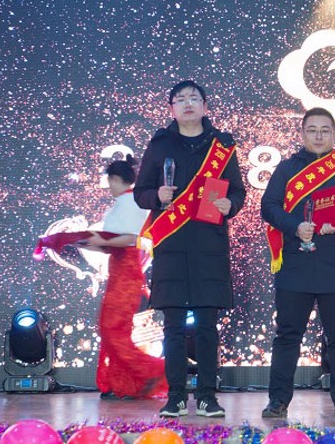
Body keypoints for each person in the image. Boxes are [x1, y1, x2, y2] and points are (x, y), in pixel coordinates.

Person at [134, 80, 246, 418]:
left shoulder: (222, 146)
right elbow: (141, 193)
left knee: (208, 327)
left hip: (209, 244)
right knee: (173, 327)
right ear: (172, 108)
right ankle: (177, 397)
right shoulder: (159, 145)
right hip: (171, 246)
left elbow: (238, 191)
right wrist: (157, 197)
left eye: (194, 98)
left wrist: (230, 205)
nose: (187, 104)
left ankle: (208, 396)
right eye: (180, 99)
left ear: (205, 106)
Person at [260, 107, 335, 418]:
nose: (319, 136)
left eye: (325, 130)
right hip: (295, 264)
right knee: (287, 336)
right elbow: (269, 207)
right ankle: (278, 401)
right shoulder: (286, 169)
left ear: (334, 134)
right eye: (312, 130)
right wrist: (295, 226)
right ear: (302, 134)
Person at [80, 155, 168, 400]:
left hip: (126, 273)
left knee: (113, 329)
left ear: (116, 179)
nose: (109, 186)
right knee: (111, 329)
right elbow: (116, 242)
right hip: (120, 270)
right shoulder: (124, 202)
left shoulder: (130, 203)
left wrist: (98, 241)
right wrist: (93, 244)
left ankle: (154, 372)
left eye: (110, 180)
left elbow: (130, 239)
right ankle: (123, 384)